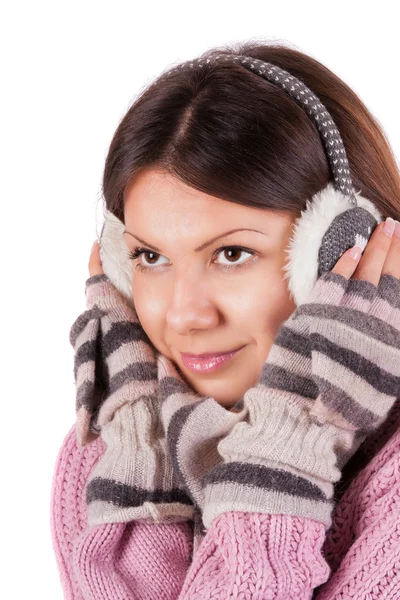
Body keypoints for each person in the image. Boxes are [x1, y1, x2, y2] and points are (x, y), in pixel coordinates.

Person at [50, 41, 400, 599]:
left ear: (339, 251)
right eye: (150, 257)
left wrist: (290, 442)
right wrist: (139, 445)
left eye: (231, 254)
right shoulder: (113, 456)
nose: (186, 315)